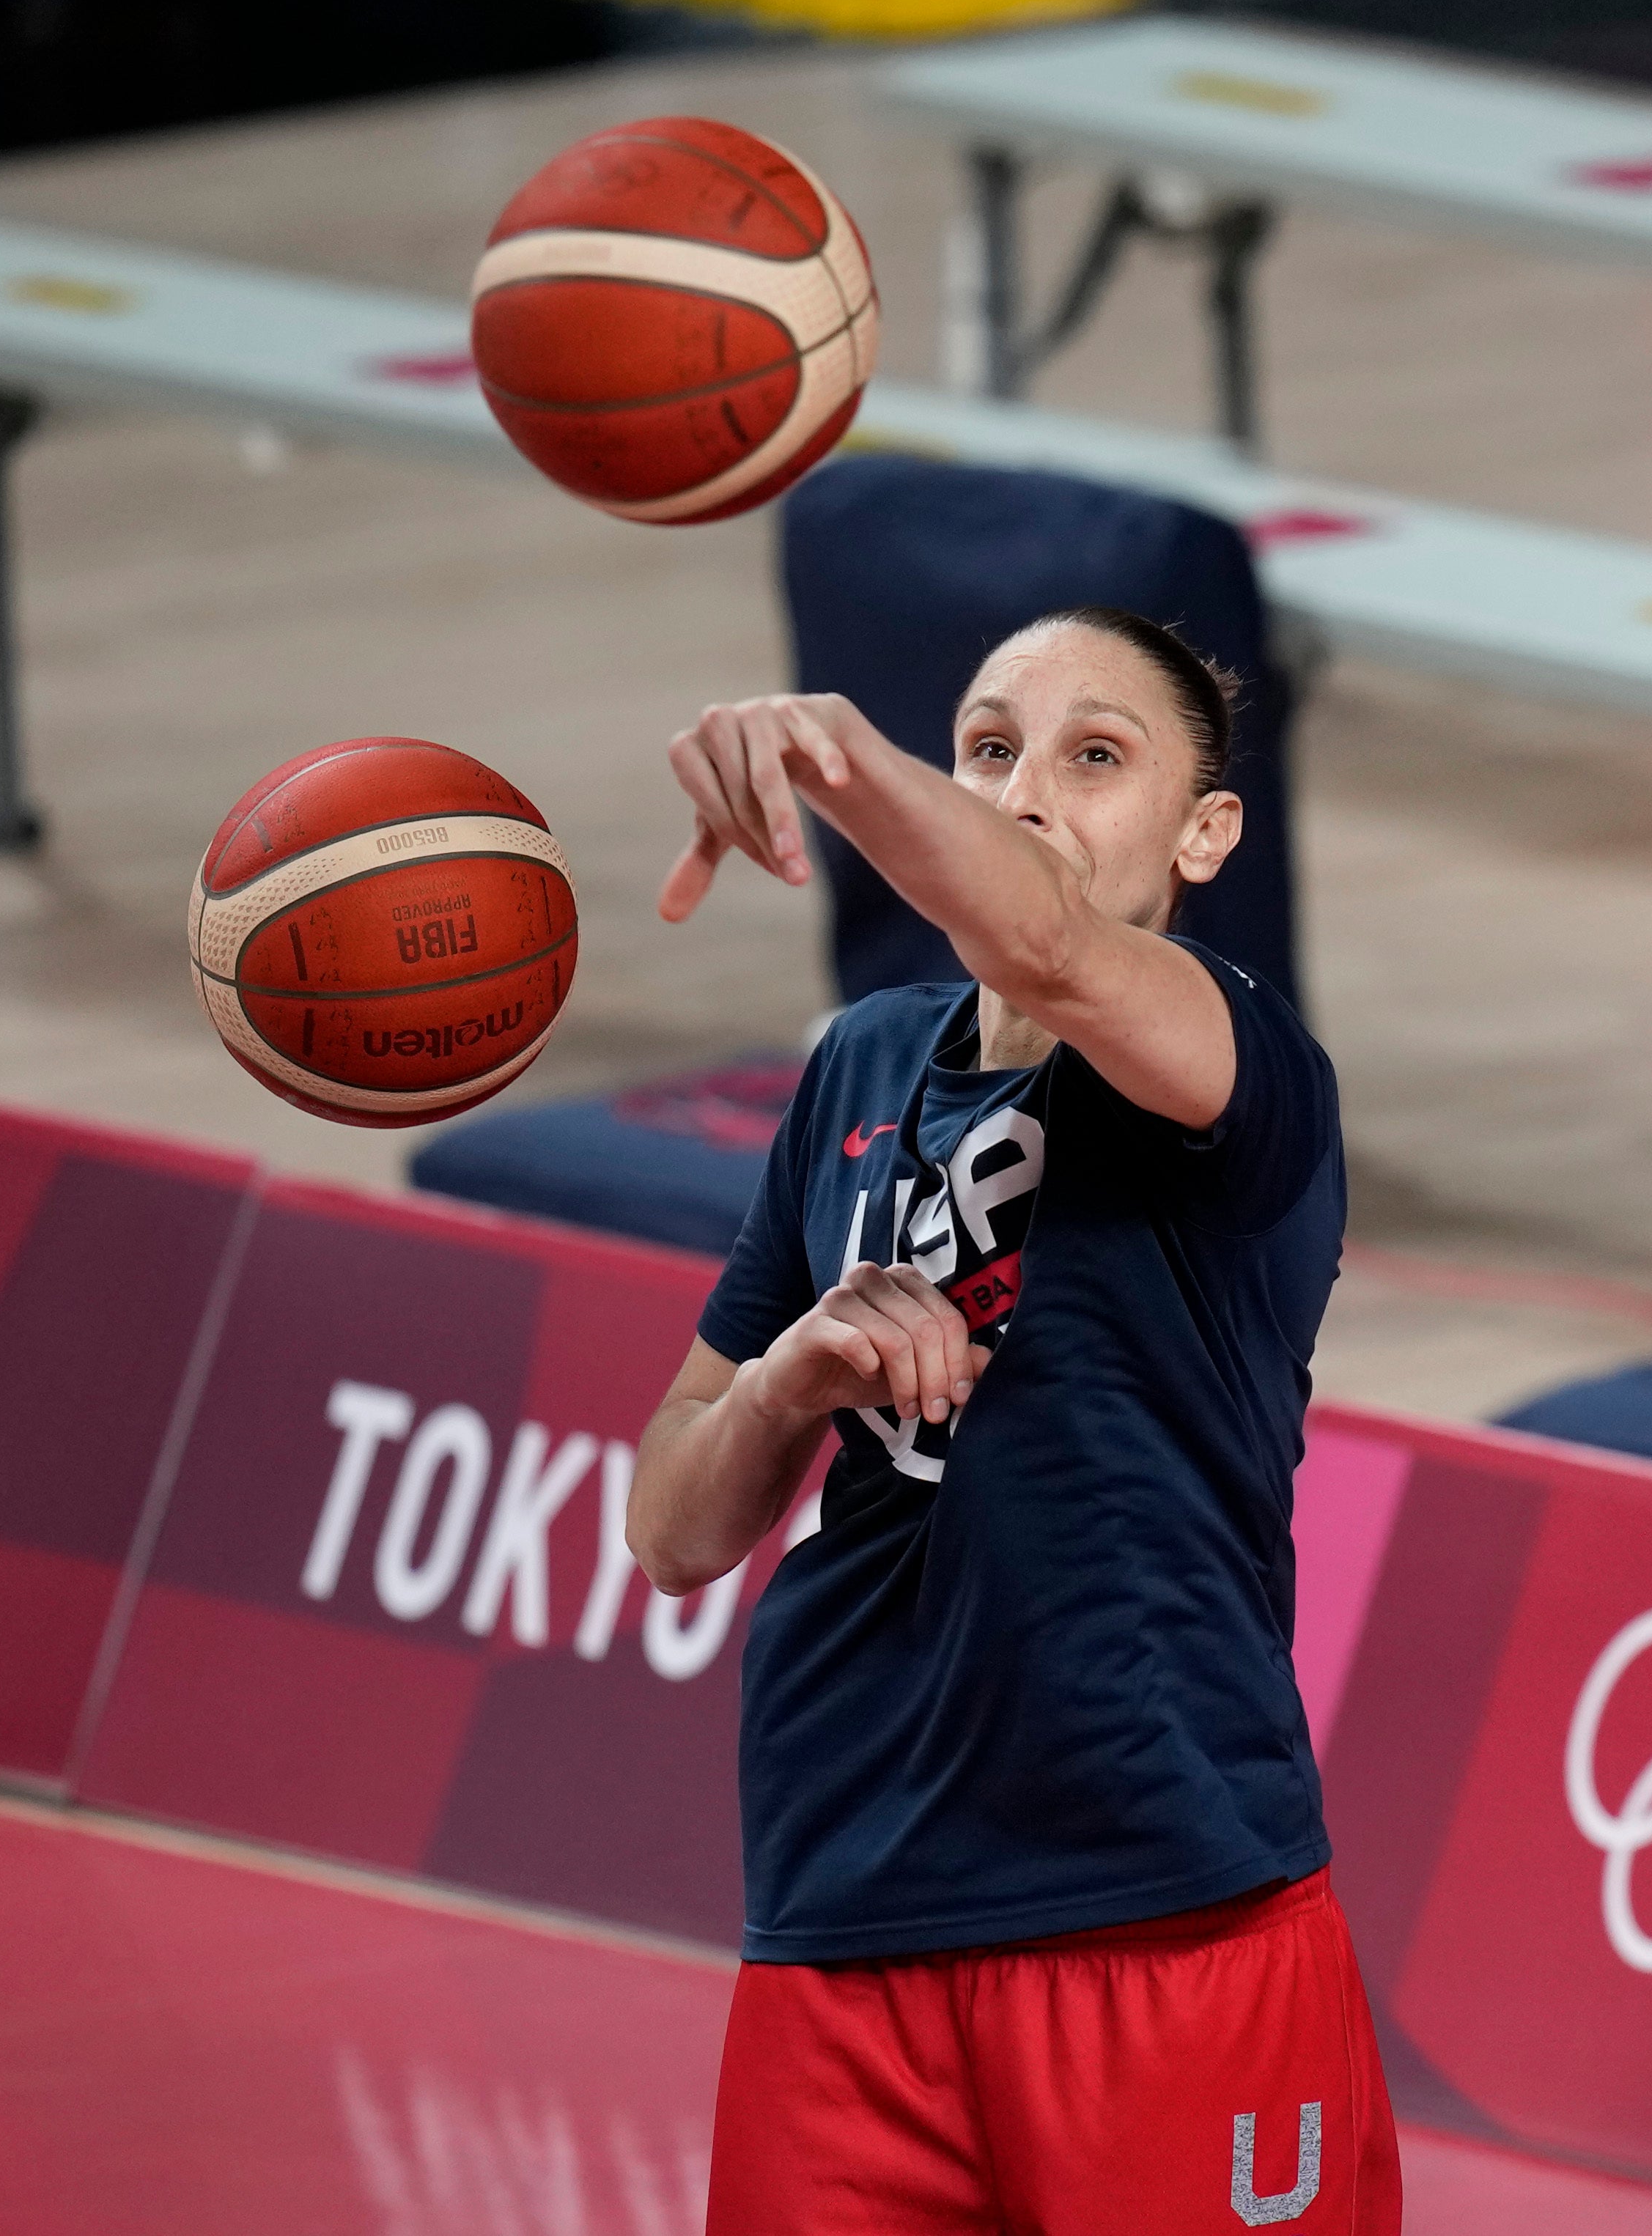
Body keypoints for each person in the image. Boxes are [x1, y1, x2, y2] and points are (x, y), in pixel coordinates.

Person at [628, 605, 1398, 2234]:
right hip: (844, 1914)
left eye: (1092, 757)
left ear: (1205, 834)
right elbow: (674, 1528)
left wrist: (833, 751)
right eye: (990, 749)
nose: (1024, 790)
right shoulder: (857, 1069)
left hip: (1157, 1910)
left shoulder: (1235, 1067)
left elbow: (1048, 944)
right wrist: (791, 1379)